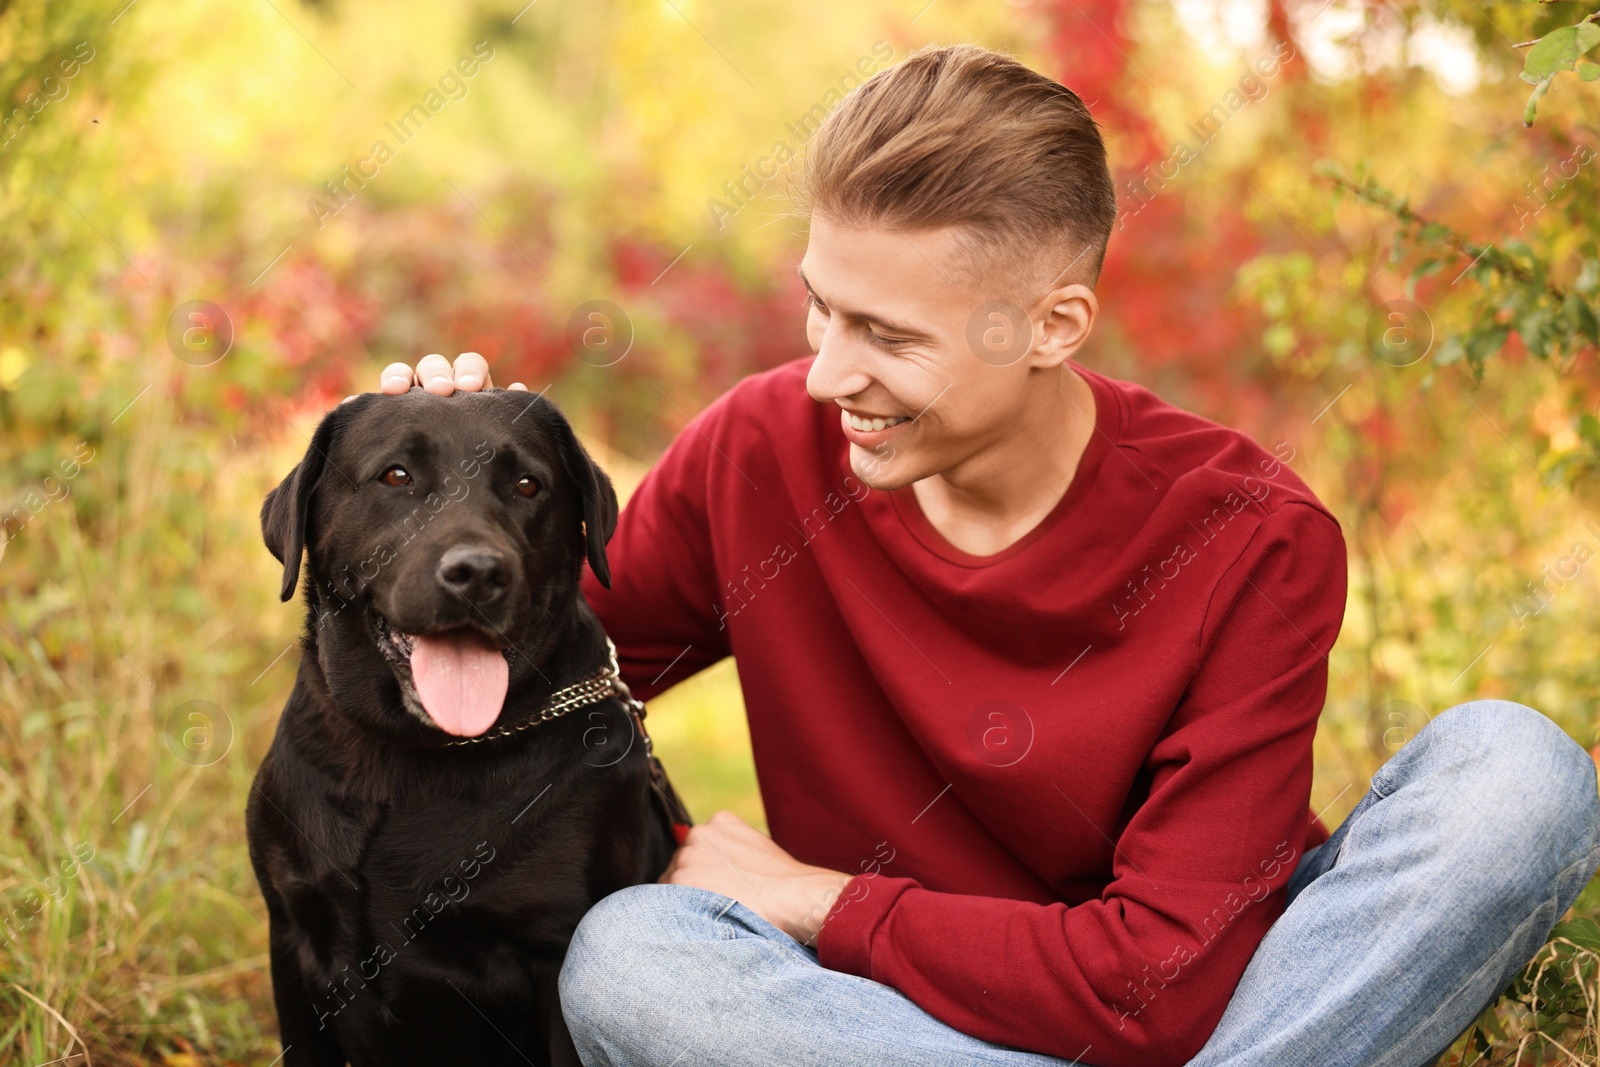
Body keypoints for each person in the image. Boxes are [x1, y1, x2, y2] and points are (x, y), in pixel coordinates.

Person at [371, 42, 1600, 1067]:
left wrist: (822, 897)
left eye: (887, 336)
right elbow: (513, 692)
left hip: (1221, 1005)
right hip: (885, 1021)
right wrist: (445, 507)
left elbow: (1157, 988)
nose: (829, 372)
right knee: (638, 957)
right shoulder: (760, 451)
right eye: (820, 305)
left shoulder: (1248, 536)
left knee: (1515, 771)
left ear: (1053, 326)